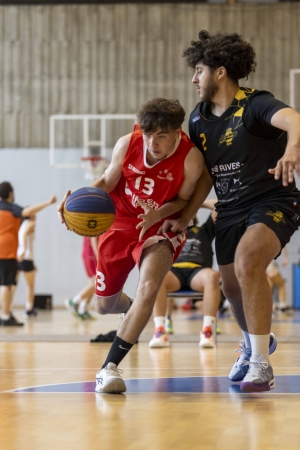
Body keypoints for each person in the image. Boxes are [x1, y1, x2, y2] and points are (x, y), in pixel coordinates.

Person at [161, 31, 300, 393]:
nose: (194, 78)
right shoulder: (198, 119)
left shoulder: (256, 104)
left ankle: (261, 363)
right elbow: (205, 176)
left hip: (273, 201)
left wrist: (291, 151)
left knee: (248, 261)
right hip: (230, 210)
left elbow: (295, 119)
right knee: (232, 285)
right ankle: (255, 342)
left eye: (199, 70)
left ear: (220, 72)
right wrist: (185, 215)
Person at [58, 98, 204, 393]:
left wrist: (159, 213)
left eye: (161, 136)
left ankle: (108, 368)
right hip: (120, 222)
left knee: (149, 287)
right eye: (148, 134)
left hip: (160, 228)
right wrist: (73, 203)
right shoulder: (128, 143)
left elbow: (185, 200)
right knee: (104, 306)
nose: (152, 142)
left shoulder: (191, 157)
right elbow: (107, 181)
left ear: (176, 132)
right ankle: (134, 310)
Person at [149, 198, 221, 349]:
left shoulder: (204, 230)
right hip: (175, 272)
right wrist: (178, 206)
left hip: (198, 272)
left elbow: (218, 205)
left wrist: (194, 202)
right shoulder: (171, 230)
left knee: (212, 276)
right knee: (156, 275)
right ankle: (160, 330)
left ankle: (207, 330)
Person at [0, 181, 57, 326]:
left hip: (7, 252)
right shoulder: (12, 209)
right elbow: (28, 211)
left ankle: (7, 313)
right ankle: (6, 317)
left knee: (8, 284)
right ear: (11, 194)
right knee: (6, 285)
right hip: (7, 251)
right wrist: (48, 202)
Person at [16, 198, 57, 317]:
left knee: (13, 285)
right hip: (26, 257)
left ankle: (11, 311)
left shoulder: (22, 224)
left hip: (20, 257)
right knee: (30, 286)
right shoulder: (31, 223)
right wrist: (24, 249)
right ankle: (29, 310)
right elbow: (24, 236)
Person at [65, 236, 98, 320]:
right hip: (92, 254)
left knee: (92, 283)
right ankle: (74, 301)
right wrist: (98, 256)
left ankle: (82, 310)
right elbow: (94, 237)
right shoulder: (95, 223)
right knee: (97, 281)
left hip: (88, 252)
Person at [266, 247, 292, 315]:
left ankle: (271, 307)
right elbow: (283, 246)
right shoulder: (270, 237)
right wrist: (285, 258)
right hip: (269, 264)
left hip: (263, 265)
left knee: (270, 286)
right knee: (281, 284)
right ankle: (282, 307)